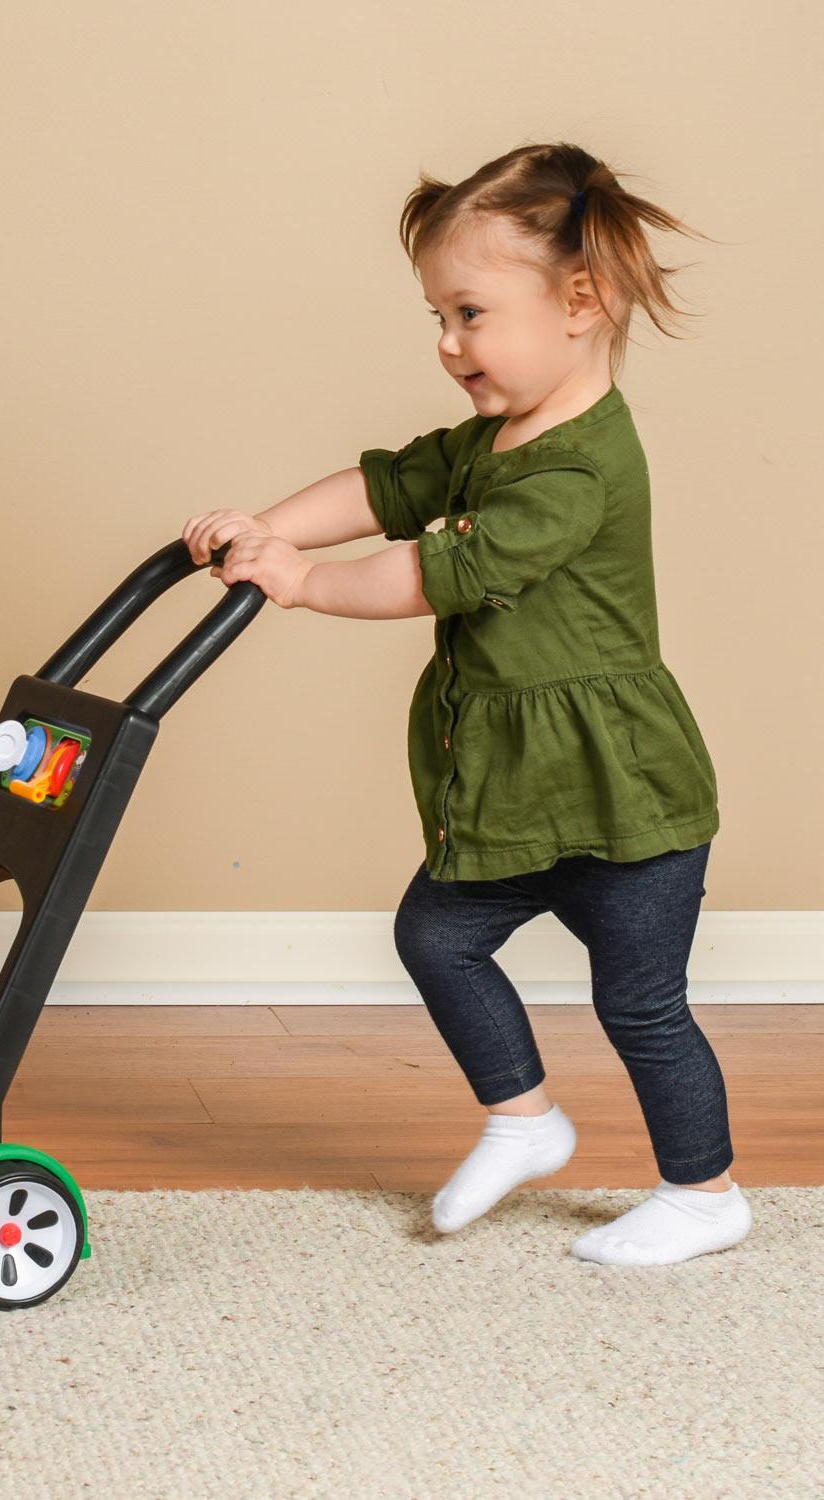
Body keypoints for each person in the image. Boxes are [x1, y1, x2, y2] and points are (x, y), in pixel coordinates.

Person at [182, 141, 750, 1266]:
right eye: (437, 315)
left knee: (640, 1005)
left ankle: (705, 1193)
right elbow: (381, 484)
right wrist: (269, 530)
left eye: (471, 313)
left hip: (622, 800)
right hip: (511, 793)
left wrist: (301, 586)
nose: (449, 344)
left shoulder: (578, 469)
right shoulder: (492, 443)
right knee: (437, 938)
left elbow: (437, 573)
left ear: (579, 303)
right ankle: (524, 1120)